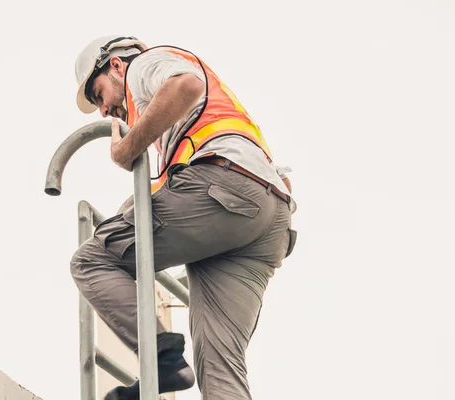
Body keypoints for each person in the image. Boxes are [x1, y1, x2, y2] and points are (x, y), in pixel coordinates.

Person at [70, 35, 297, 400]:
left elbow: (185, 85)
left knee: (91, 259)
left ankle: (163, 359)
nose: (103, 110)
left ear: (114, 65)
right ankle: (166, 363)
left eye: (98, 95)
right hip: (266, 218)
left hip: (225, 190)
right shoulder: (191, 128)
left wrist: (126, 150)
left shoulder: (143, 66)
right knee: (220, 365)